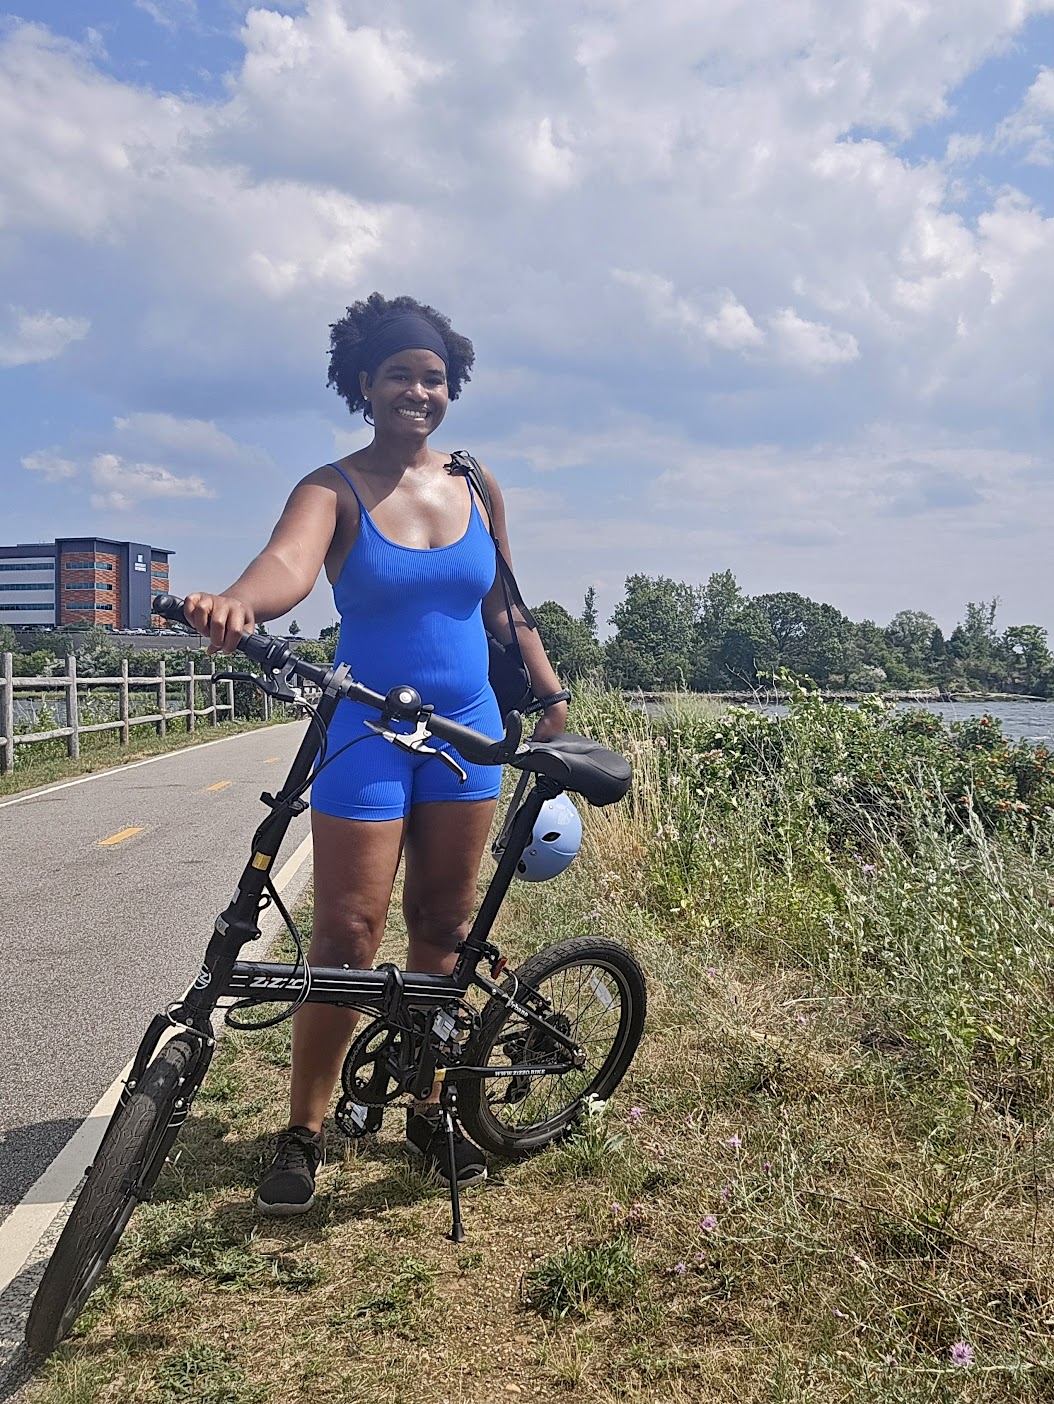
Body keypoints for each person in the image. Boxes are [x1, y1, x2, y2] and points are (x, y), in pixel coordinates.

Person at [183, 293, 569, 1215]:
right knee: (345, 940)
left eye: (433, 377)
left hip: (468, 732)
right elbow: (288, 564)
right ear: (363, 382)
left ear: (452, 388)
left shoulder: (477, 484)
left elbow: (504, 606)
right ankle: (304, 1130)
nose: (418, 390)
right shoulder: (333, 485)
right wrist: (239, 602)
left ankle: (428, 1105)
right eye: (400, 373)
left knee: (442, 923)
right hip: (366, 730)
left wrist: (550, 698)